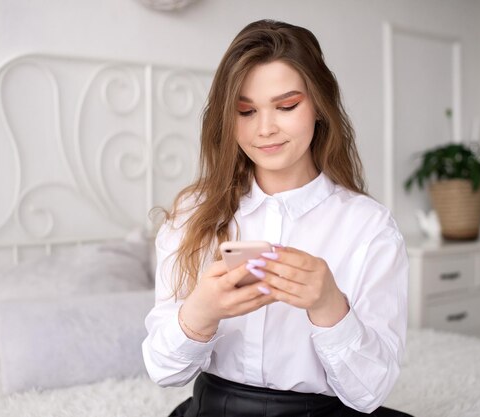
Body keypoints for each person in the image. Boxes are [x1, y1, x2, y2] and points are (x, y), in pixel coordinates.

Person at [142, 19, 410, 417]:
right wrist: (202, 311)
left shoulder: (368, 227)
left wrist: (329, 306)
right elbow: (163, 372)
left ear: (319, 105)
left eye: (286, 106)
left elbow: (369, 393)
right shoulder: (192, 215)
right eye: (245, 111)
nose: (265, 129)